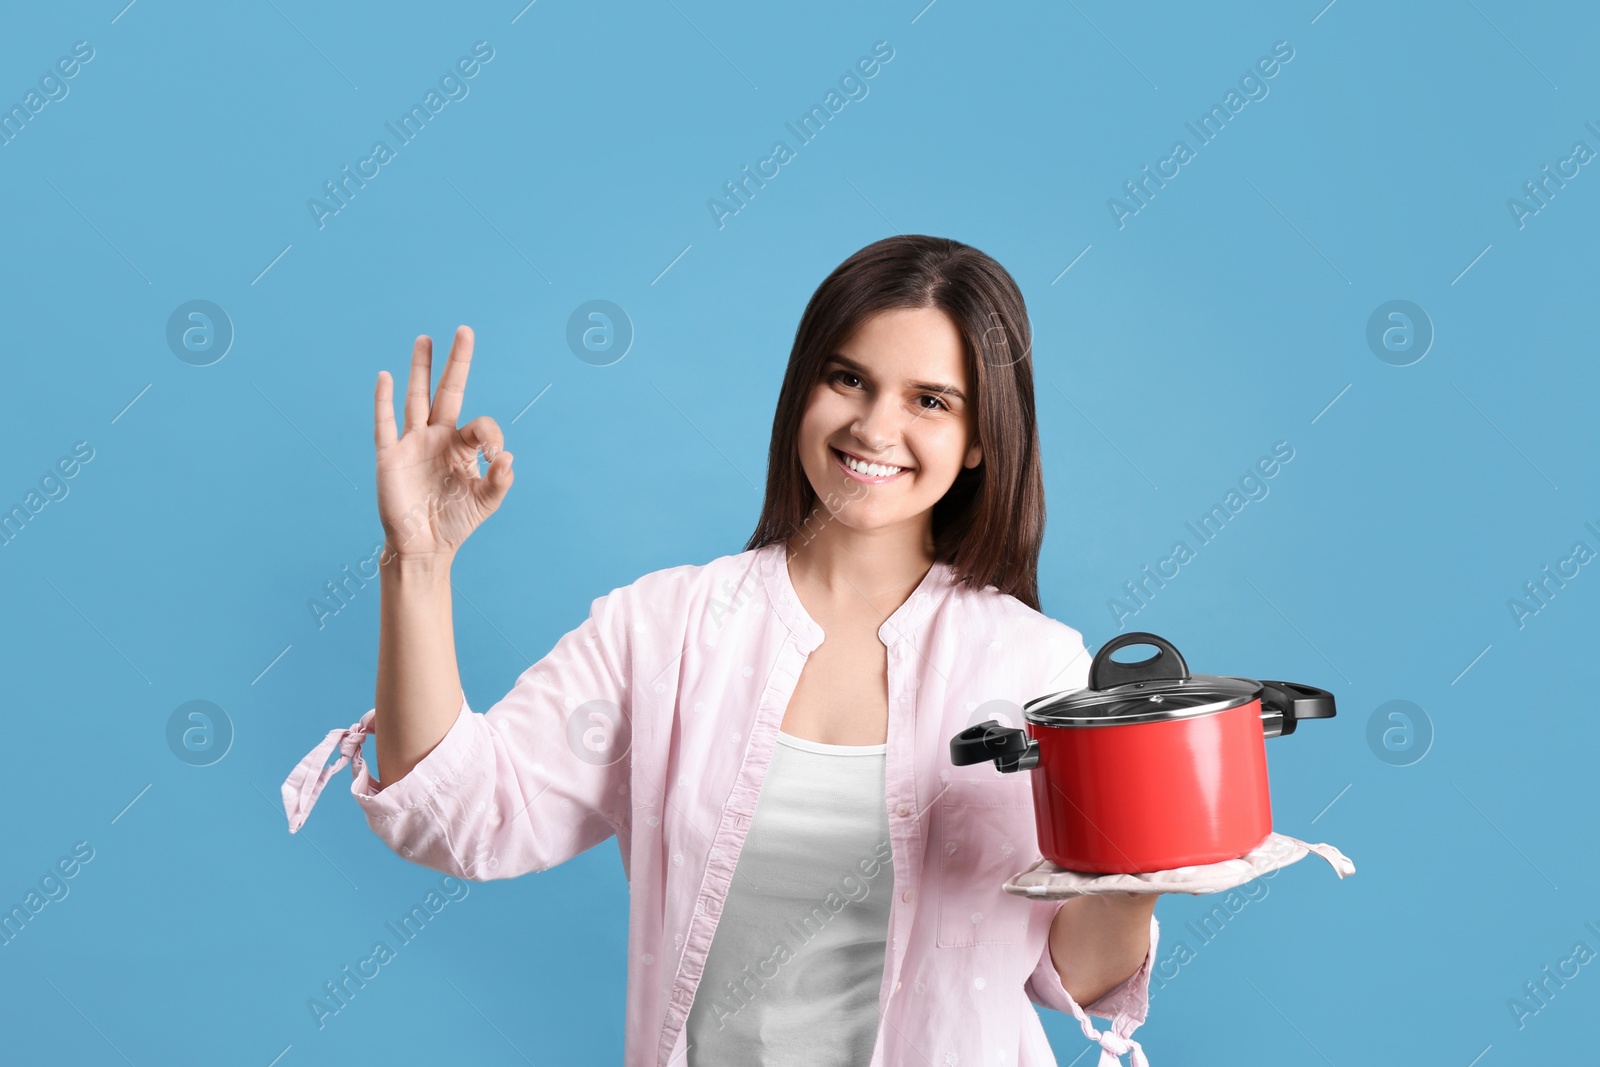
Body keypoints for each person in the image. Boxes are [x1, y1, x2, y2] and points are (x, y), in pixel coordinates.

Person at [282, 234, 1161, 1066]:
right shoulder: (662, 628)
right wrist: (418, 563)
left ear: (979, 440)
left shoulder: (1036, 669)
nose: (873, 426)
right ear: (802, 391)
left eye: (931, 400)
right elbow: (460, 814)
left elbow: (1070, 976)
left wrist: (1148, 866)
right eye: (847, 379)